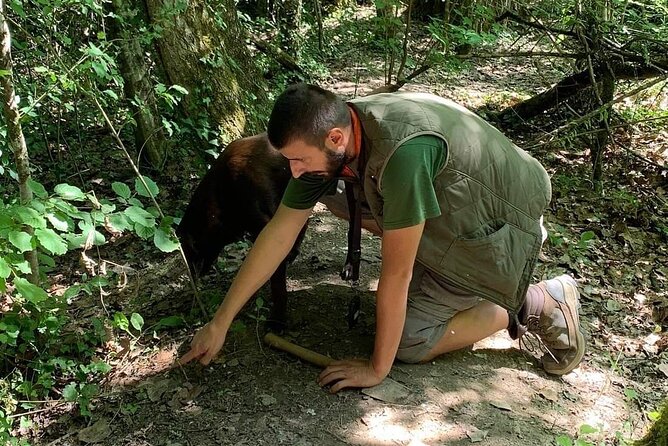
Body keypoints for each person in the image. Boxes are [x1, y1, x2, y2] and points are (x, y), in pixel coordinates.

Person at [180, 84, 586, 392]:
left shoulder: (401, 156)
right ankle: (479, 290)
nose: (296, 172)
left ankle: (536, 300)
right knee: (385, 303)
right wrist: (220, 322)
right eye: (289, 161)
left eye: (299, 160)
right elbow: (278, 232)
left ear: (335, 138)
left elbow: (396, 274)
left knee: (408, 341)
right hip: (456, 202)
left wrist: (377, 369)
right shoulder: (334, 139)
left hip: (499, 219)